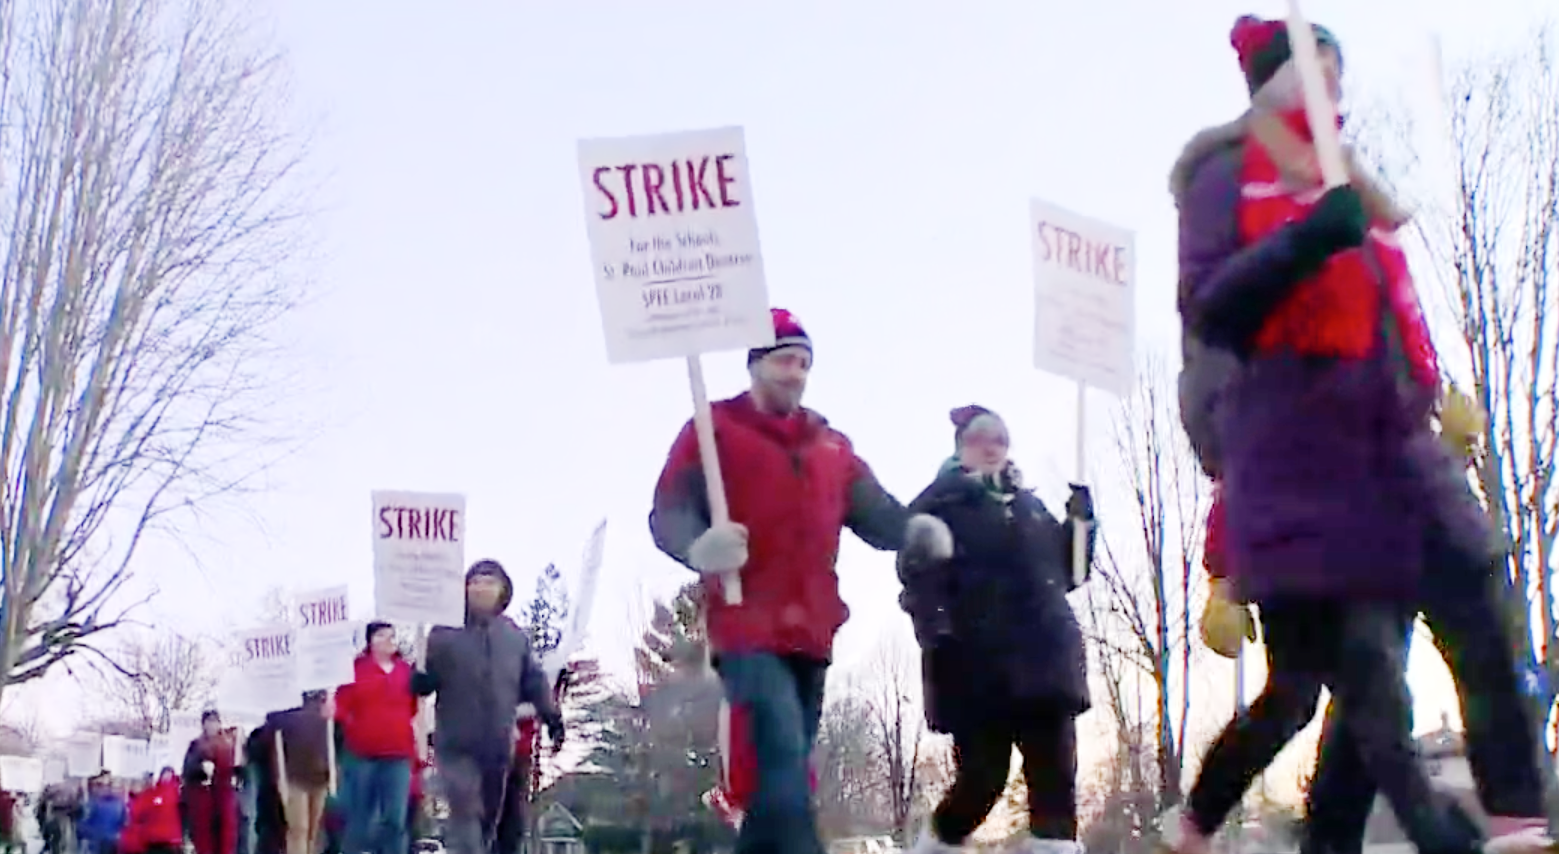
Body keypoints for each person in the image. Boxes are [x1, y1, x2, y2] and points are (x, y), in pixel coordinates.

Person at [1166, 14, 1504, 854]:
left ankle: (1324, 840)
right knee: (1317, 689)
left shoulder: (1356, 201)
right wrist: (1223, 562)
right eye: (1309, 72)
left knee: (1362, 684)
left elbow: (1393, 332)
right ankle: (1212, 820)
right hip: (1292, 499)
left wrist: (1432, 407)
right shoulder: (1239, 203)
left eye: (1335, 74)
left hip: (1377, 484)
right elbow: (1217, 386)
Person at [650, 307, 953, 854]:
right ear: (755, 365)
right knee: (782, 756)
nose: (795, 372)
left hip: (812, 633)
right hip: (745, 625)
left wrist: (916, 530)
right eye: (784, 360)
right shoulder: (713, 428)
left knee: (780, 781)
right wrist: (699, 547)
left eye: (804, 363)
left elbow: (877, 514)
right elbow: (667, 511)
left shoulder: (830, 447)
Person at [1301, 384, 1553, 854]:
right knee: (1371, 687)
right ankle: (1332, 839)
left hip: (1423, 502)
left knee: (1477, 650)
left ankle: (1517, 820)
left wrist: (1446, 456)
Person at [898, 406, 1095, 854]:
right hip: (976, 663)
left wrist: (1081, 525)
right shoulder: (939, 506)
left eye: (1000, 440)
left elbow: (1070, 573)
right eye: (980, 439)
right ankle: (937, 845)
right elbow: (917, 577)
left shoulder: (1030, 507)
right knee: (982, 779)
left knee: (1056, 781)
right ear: (960, 448)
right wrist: (936, 632)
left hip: (1046, 659)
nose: (991, 448)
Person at [411, 560, 563, 854]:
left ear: (502, 590)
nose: (482, 588)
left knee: (487, 824)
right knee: (466, 813)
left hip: (497, 746)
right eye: (476, 582)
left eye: (490, 583)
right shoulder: (444, 633)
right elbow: (426, 679)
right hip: (455, 745)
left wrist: (552, 716)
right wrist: (418, 680)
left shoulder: (513, 637)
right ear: (465, 589)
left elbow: (533, 680)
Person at [336, 621, 418, 854]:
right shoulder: (355, 670)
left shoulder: (406, 671)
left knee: (395, 818)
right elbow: (342, 707)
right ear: (370, 641)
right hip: (362, 754)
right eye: (382, 635)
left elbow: (412, 709)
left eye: (392, 635)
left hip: (398, 753)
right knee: (359, 818)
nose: (389, 640)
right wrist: (341, 717)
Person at [272, 690, 333, 854]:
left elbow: (338, 733)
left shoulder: (325, 700)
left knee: (313, 830)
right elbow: (273, 726)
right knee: (299, 829)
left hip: (320, 773)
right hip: (292, 774)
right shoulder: (287, 700)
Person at [184, 711, 240, 854]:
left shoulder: (230, 745)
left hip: (224, 796)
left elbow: (238, 767)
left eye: (214, 722)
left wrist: (237, 772)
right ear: (203, 725)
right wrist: (200, 769)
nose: (212, 725)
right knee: (204, 838)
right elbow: (188, 769)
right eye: (208, 722)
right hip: (203, 797)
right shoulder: (196, 745)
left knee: (225, 836)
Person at [126, 769, 184, 854]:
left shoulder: (151, 794)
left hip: (154, 840)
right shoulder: (179, 794)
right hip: (170, 841)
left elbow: (135, 814)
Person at [78, 776, 127, 854]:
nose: (105, 788)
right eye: (100, 785)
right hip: (104, 842)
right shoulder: (91, 804)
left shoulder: (118, 804)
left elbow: (124, 823)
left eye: (107, 785)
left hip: (106, 842)